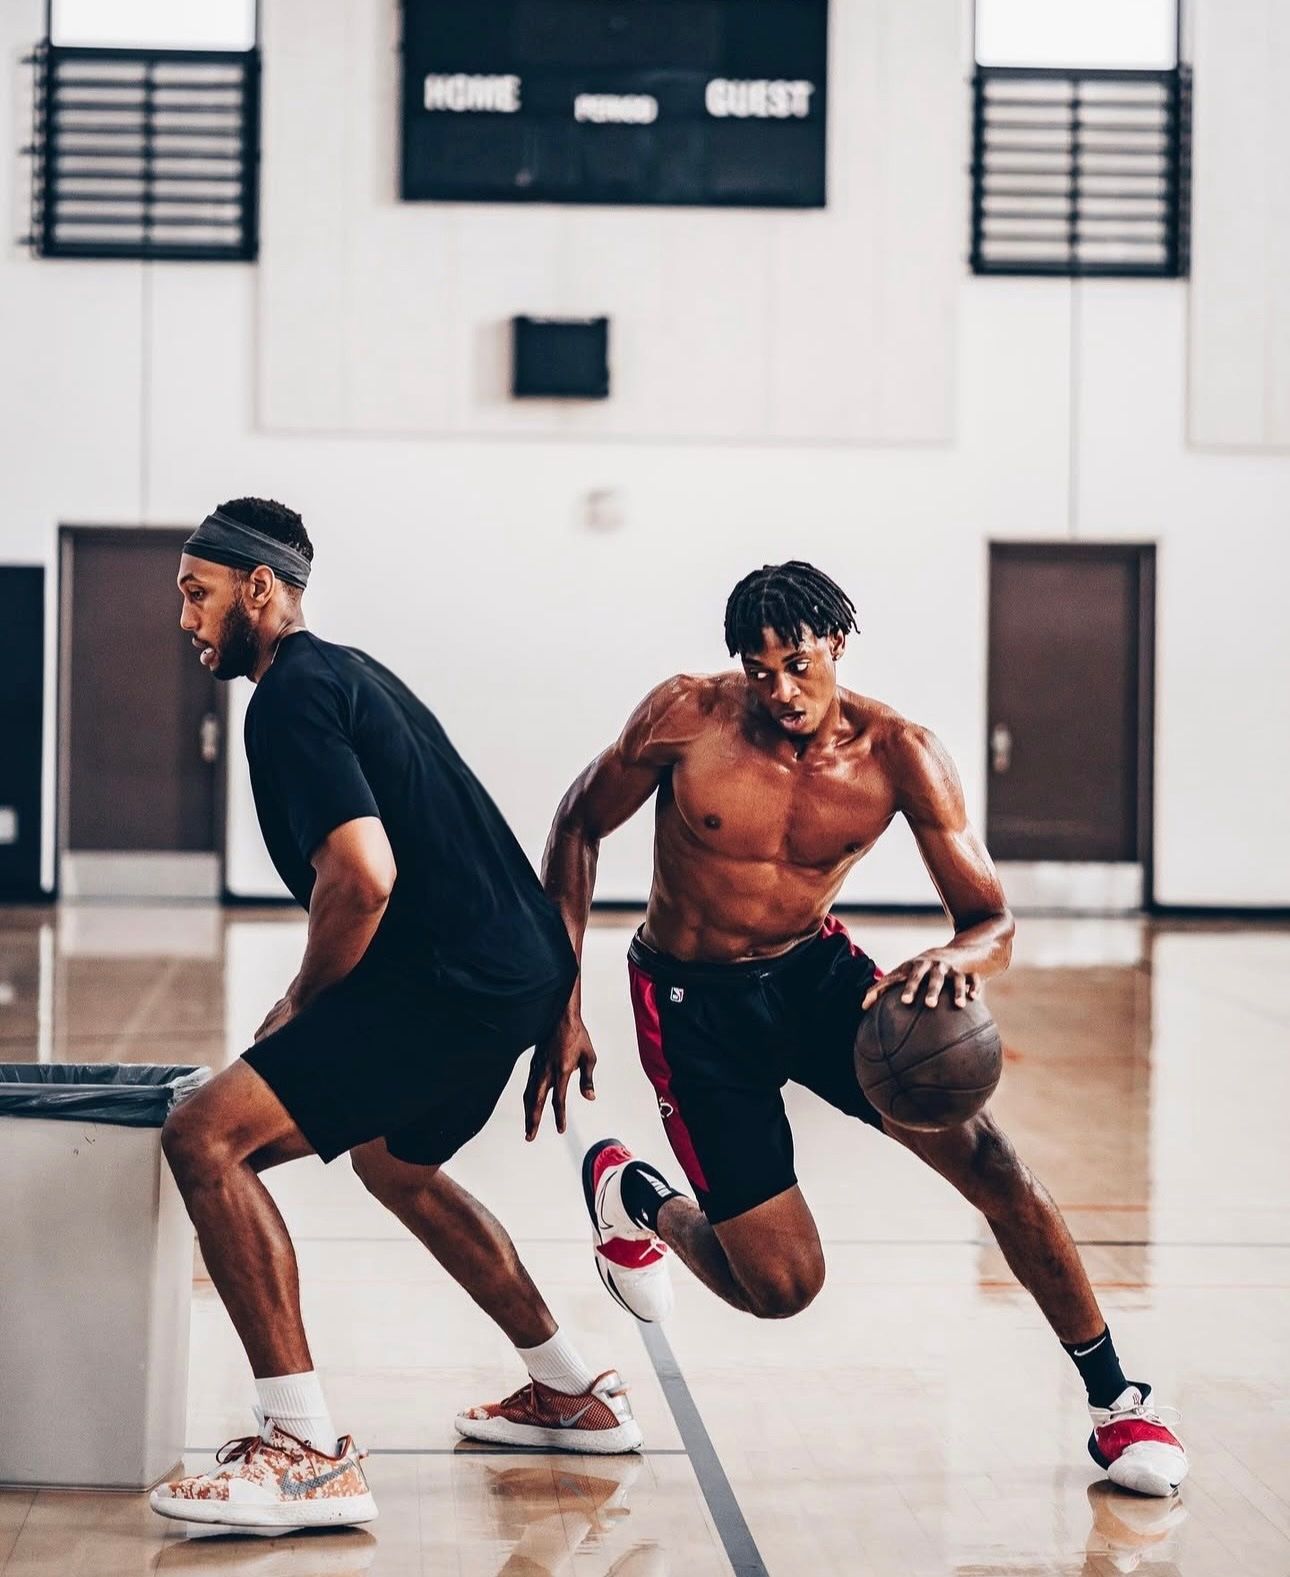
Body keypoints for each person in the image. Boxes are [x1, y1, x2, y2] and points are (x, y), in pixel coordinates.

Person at [527, 559, 1188, 1500]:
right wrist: (563, 999)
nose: (780, 691)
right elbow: (576, 824)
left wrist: (956, 959)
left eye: (797, 664)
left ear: (837, 644)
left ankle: (1116, 1399)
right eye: (759, 671)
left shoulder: (899, 753)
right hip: (691, 1003)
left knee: (993, 1166)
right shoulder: (687, 716)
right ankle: (637, 1196)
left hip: (815, 975)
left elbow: (991, 920)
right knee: (782, 1289)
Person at [152, 498, 640, 1534]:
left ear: (260, 587)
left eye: (197, 593)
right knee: (394, 1163)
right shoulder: (353, 672)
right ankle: (569, 1388)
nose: (186, 618)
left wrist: (302, 1000)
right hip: (508, 973)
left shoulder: (287, 697)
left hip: (445, 978)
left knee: (206, 1132)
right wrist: (554, 991)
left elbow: (363, 876)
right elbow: (478, 837)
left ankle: (304, 1450)